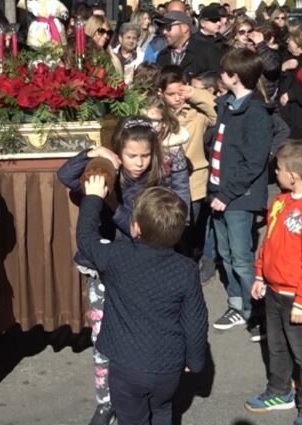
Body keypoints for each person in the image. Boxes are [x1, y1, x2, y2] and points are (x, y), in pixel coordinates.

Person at [57, 117, 178, 425]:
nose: (138, 163)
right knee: (102, 343)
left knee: (133, 341)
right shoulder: (110, 174)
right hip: (103, 274)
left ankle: (137, 397)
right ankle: (105, 401)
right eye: (131, 156)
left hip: (137, 274)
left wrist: (109, 203)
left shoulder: (154, 185)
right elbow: (65, 176)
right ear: (119, 153)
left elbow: (139, 230)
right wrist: (90, 153)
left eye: (145, 155)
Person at [77, 177, 208, 425]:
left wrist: (93, 197)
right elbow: (195, 320)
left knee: (131, 419)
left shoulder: (117, 257)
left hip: (126, 367)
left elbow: (86, 238)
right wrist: (195, 359)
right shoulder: (186, 269)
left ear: (135, 228)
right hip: (167, 366)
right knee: (162, 411)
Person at [246, 141, 302, 425]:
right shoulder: (280, 202)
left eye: (279, 168)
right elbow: (269, 242)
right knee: (276, 346)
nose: (276, 172)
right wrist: (260, 273)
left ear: (293, 175)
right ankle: (279, 391)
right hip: (274, 292)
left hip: (297, 297)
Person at [207, 49, 273, 332]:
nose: (220, 76)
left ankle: (256, 311)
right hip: (220, 192)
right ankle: (237, 304)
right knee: (225, 252)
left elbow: (254, 163)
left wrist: (226, 194)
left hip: (237, 197)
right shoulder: (229, 104)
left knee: (242, 257)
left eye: (224, 72)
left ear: (234, 77)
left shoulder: (255, 112)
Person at [157, 67, 217, 263]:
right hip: (164, 181)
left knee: (189, 231)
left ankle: (190, 266)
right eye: (171, 94)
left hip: (193, 181)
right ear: (161, 93)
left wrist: (194, 93)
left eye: (180, 92)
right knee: (167, 231)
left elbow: (215, 109)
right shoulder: (156, 115)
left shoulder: (196, 113)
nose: (176, 98)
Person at [155, 12, 212, 78]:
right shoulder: (162, 56)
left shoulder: (206, 51)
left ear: (184, 27)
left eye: (168, 27)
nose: (164, 32)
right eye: (162, 28)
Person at [188, 3, 227, 75]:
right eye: (214, 20)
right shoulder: (192, 41)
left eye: (219, 20)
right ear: (202, 23)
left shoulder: (224, 41)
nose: (218, 23)